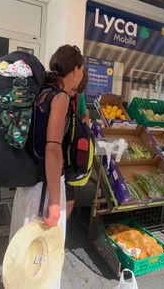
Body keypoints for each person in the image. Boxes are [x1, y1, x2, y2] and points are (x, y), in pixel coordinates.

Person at [9, 44, 84, 289]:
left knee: (25, 258)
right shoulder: (60, 97)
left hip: (29, 185)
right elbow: (52, 149)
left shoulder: (41, 93)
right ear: (75, 69)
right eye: (82, 69)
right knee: (43, 262)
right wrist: (54, 204)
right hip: (44, 189)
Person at [65, 67, 89, 220]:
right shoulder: (55, 94)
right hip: (54, 156)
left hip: (69, 155)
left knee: (69, 201)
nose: (74, 93)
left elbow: (85, 112)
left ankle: (58, 235)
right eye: (73, 89)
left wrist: (86, 127)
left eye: (77, 90)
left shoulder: (78, 96)